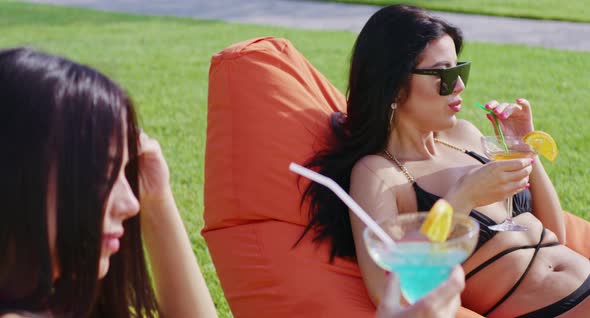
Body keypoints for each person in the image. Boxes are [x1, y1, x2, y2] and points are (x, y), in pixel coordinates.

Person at [301, 4, 590, 317]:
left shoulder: (467, 137)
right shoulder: (379, 175)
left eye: (460, 70)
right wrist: (462, 198)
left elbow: (555, 235)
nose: (460, 86)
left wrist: (523, 148)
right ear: (395, 87)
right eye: (445, 75)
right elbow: (389, 294)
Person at [0, 48, 218, 317]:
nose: (131, 205)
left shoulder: (54, 299)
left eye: (124, 172)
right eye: (102, 176)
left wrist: (158, 199)